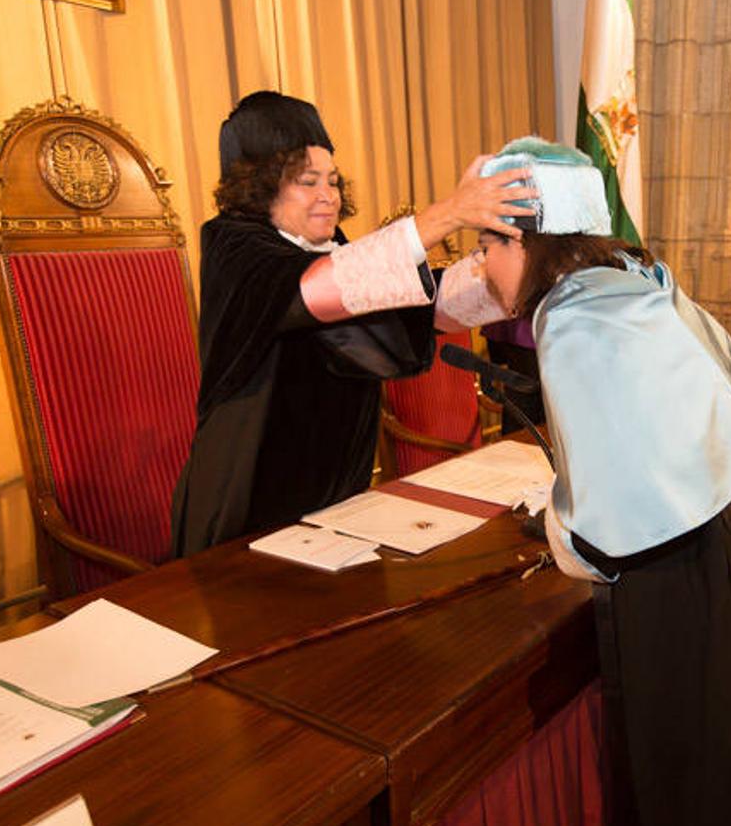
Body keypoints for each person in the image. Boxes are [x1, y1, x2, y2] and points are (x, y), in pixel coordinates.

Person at [477, 136, 731, 826]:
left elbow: (602, 536)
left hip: (684, 573)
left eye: (487, 244)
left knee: (694, 780)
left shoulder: (567, 315)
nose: (481, 265)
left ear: (525, 239)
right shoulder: (633, 275)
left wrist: (555, 524)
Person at [171, 91, 530, 554]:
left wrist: (531, 267)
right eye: (307, 181)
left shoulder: (331, 250)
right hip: (247, 516)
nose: (328, 196)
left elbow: (426, 311)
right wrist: (450, 213)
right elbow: (314, 291)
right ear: (259, 187)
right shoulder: (233, 247)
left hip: (336, 510)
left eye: (333, 181)